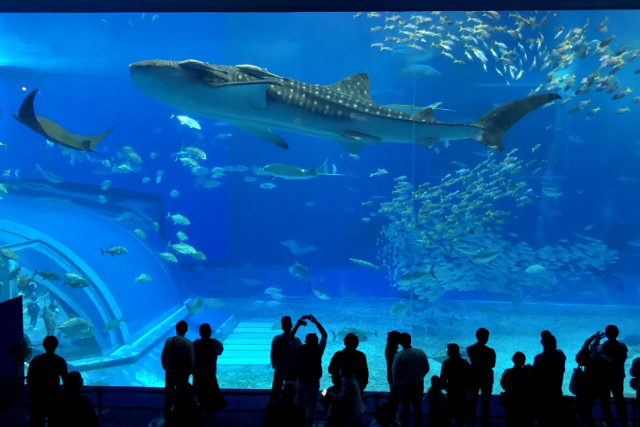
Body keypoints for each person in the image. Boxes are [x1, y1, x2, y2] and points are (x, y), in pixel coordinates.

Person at [294, 315, 328, 427]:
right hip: (314, 380)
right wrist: (316, 322)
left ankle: (299, 423)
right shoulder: (319, 349)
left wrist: (298, 325)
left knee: (299, 402)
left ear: (305, 341)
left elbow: (290, 338)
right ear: (317, 341)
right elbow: (324, 334)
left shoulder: (300, 349)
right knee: (312, 405)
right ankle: (309, 424)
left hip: (302, 380)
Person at [26, 336, 68, 427]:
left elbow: (29, 380)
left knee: (36, 423)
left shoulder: (35, 360)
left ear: (44, 345)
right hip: (53, 399)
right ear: (56, 345)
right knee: (54, 423)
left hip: (37, 399)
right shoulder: (60, 361)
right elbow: (66, 382)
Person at [392, 332, 429, 427]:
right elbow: (426, 368)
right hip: (418, 384)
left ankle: (404, 424)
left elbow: (395, 373)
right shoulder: (420, 352)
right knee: (417, 406)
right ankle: (418, 424)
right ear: (410, 340)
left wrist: (396, 384)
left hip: (405, 386)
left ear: (400, 342)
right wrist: (419, 377)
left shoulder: (399, 356)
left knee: (405, 408)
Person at [161, 320, 195, 422]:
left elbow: (163, 356)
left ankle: (167, 414)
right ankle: (180, 416)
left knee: (168, 394)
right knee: (181, 395)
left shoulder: (168, 341)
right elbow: (191, 361)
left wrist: (165, 368)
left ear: (176, 329)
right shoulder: (188, 343)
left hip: (170, 372)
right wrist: (189, 372)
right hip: (182, 374)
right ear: (186, 330)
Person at [532, 331, 566, 427]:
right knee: (555, 414)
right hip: (556, 389)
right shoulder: (561, 355)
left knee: (543, 413)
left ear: (543, 343)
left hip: (543, 391)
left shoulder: (539, 358)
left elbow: (534, 375)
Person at [574, 331, 608, 427]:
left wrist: (587, 342)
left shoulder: (591, 362)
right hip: (597, 389)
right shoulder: (605, 361)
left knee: (581, 410)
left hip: (586, 389)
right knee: (588, 410)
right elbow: (594, 348)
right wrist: (597, 338)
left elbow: (578, 358)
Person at [193, 323, 226, 419]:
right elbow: (220, 351)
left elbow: (190, 356)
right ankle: (209, 411)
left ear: (200, 332)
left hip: (198, 373)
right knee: (210, 392)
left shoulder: (195, 344)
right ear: (210, 332)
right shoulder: (215, 343)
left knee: (199, 393)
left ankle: (202, 410)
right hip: (210, 373)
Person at [598, 324, 629, 427]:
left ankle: (608, 421)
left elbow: (593, 350)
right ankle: (624, 421)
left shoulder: (603, 347)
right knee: (619, 399)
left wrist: (596, 338)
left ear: (606, 334)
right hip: (618, 377)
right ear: (617, 334)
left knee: (605, 400)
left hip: (605, 378)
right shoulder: (623, 347)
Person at [466, 327, 496, 427]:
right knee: (486, 401)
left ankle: (471, 419)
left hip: (473, 376)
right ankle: (485, 420)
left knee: (472, 400)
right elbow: (492, 364)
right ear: (487, 337)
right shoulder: (490, 351)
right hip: (486, 377)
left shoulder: (469, 349)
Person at [270, 316, 304, 401]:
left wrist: (274, 364)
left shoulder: (276, 339)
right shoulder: (297, 340)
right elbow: (300, 355)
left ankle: (273, 407)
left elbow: (273, 354)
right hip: (292, 371)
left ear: (282, 327)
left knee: (276, 390)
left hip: (280, 369)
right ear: (291, 326)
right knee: (290, 392)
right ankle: (289, 409)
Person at [440, 343, 472, 427]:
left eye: (447, 351)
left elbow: (442, 378)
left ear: (450, 352)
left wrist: (445, 387)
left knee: (449, 412)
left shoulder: (447, 362)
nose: (446, 352)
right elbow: (471, 377)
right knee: (463, 412)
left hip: (451, 391)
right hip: (463, 392)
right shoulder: (465, 362)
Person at [325, 362, 366, 427]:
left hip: (353, 412)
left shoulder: (350, 384)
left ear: (346, 370)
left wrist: (331, 394)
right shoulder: (347, 379)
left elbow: (341, 399)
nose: (340, 370)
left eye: (341, 368)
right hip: (352, 410)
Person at [500, 351, 534, 427]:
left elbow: (503, 385)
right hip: (524, 403)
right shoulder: (528, 374)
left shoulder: (508, 371)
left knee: (510, 422)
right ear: (524, 361)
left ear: (513, 360)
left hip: (510, 402)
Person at [385, 331, 402, 412]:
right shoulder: (394, 353)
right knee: (395, 398)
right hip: (395, 378)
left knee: (394, 396)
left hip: (390, 376)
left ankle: (389, 415)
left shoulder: (388, 349)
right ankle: (390, 415)